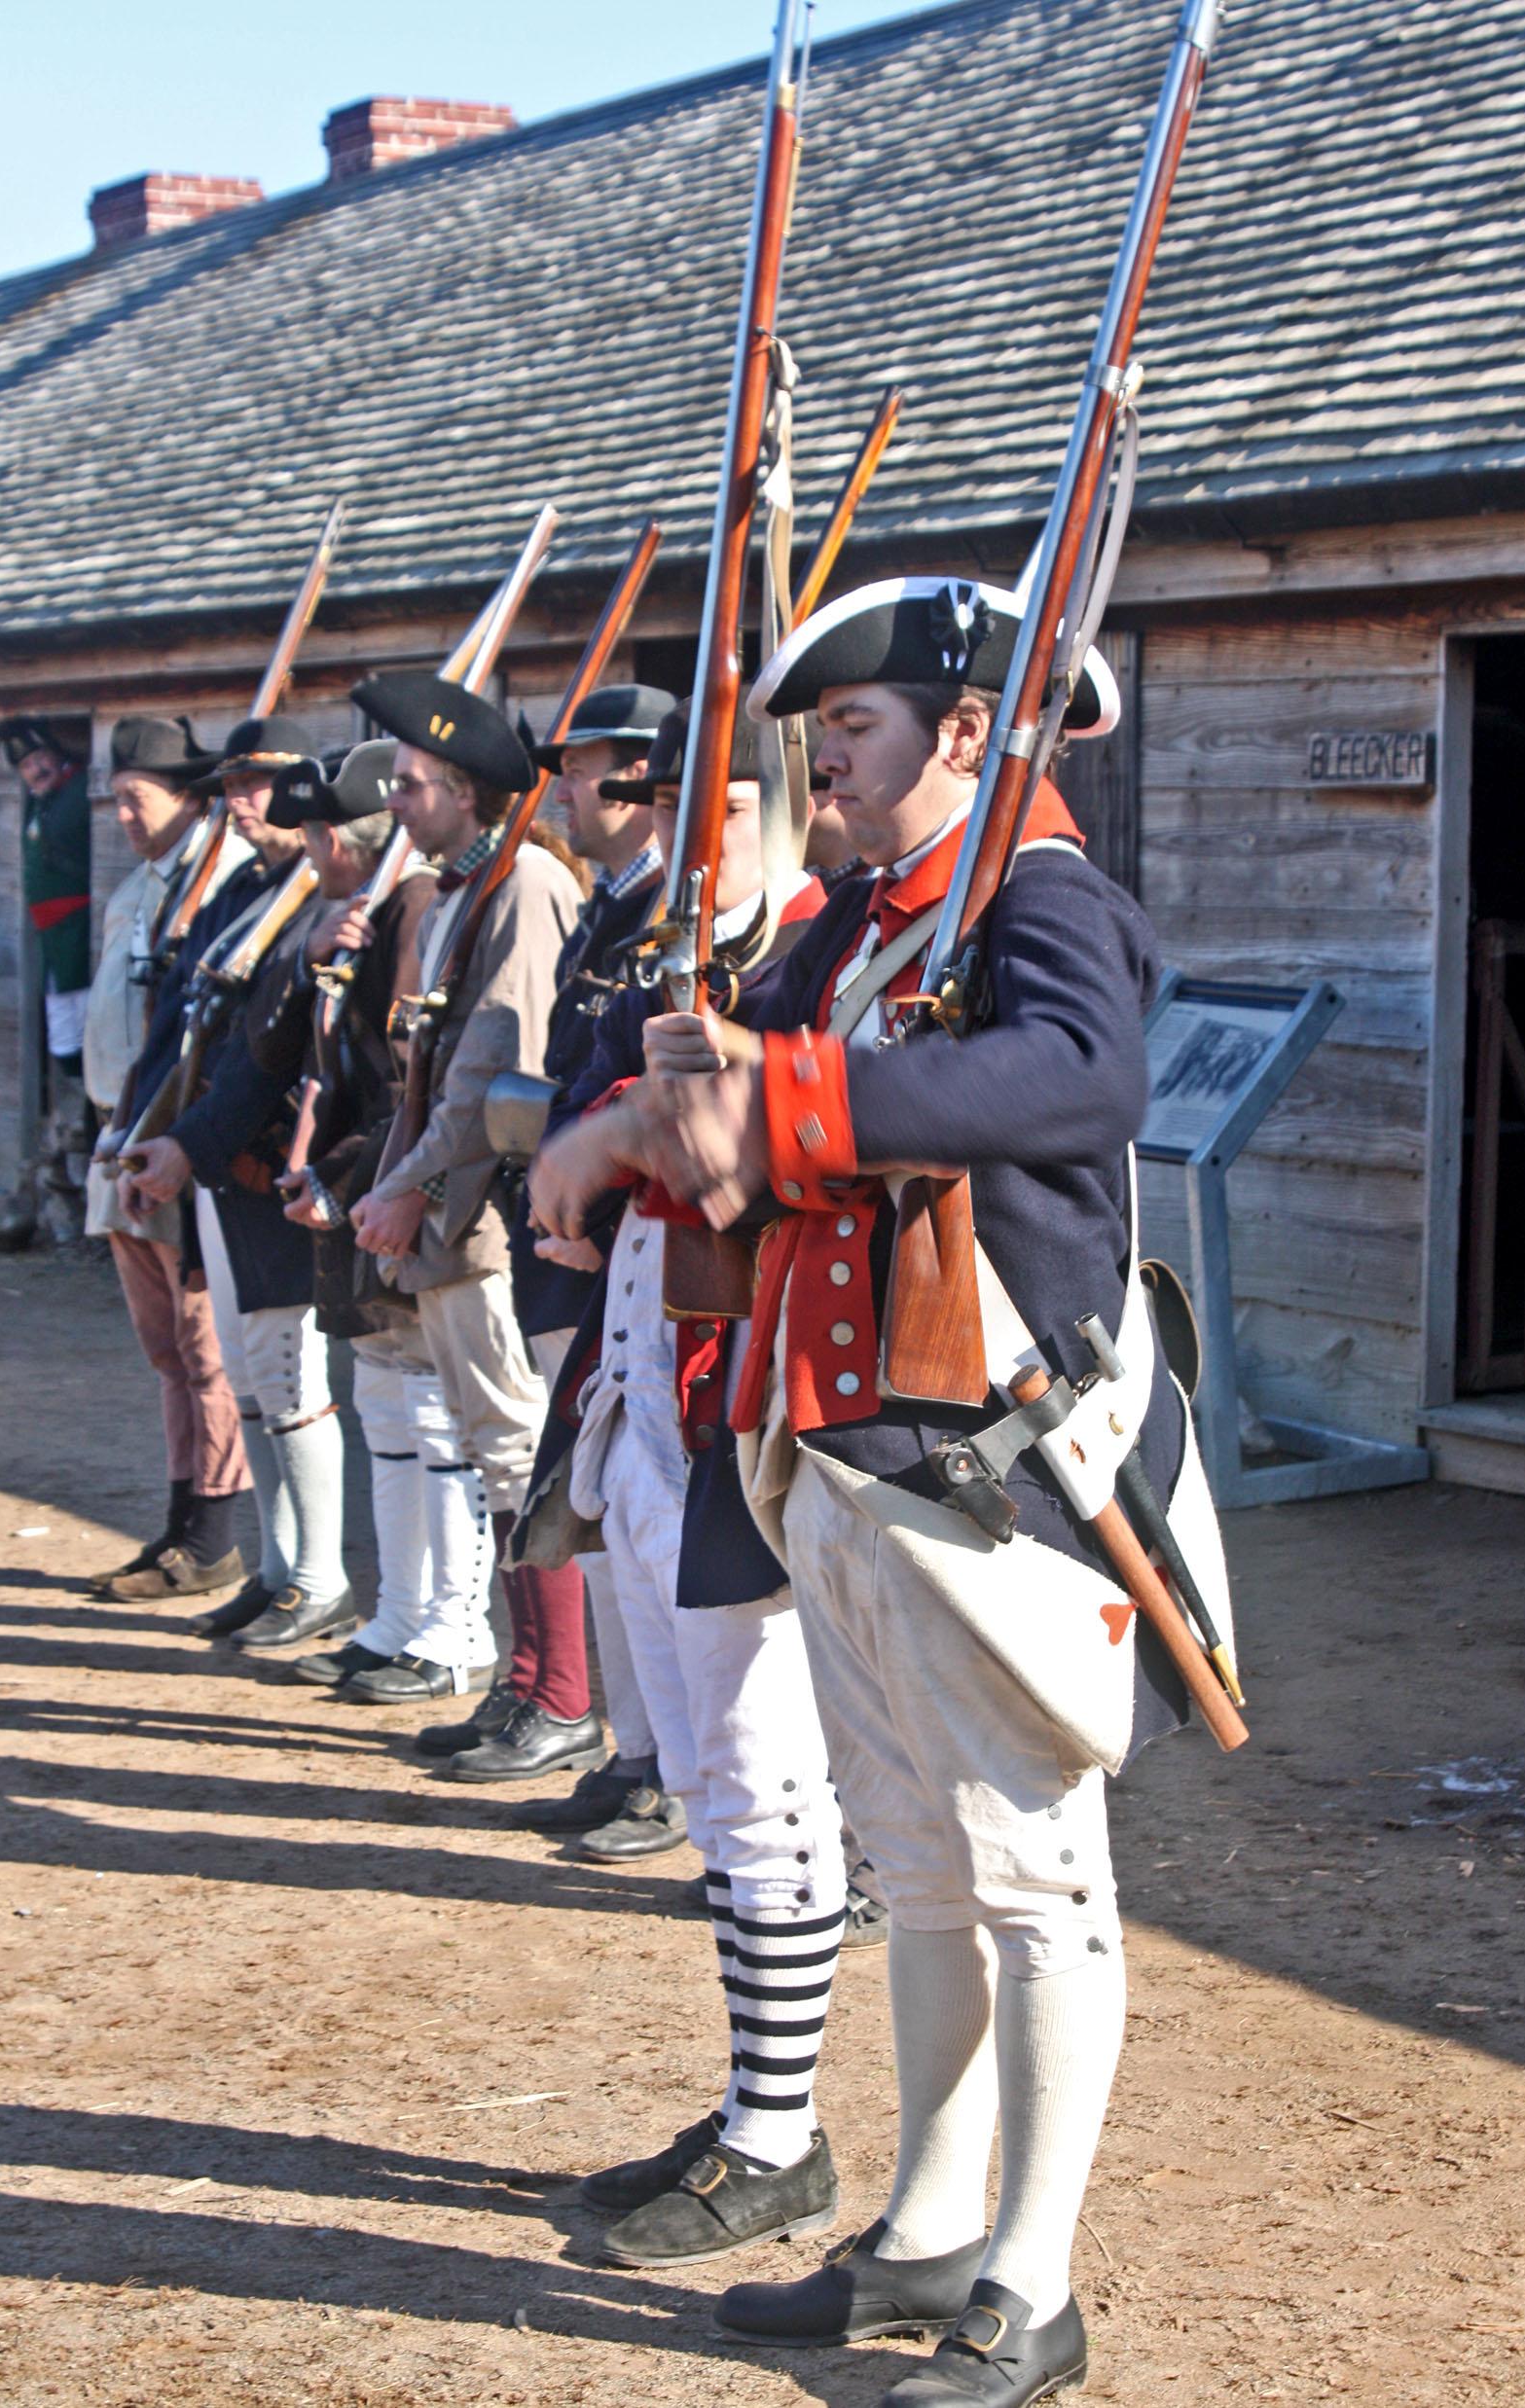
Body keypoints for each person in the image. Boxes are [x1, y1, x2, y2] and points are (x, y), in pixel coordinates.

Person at [535, 576, 1233, 2408]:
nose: (820, 769)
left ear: (971, 731)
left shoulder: (1046, 901)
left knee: (1040, 1883)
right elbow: (716, 1064)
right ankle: (927, 2230)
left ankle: (1034, 2274)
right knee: (921, 1868)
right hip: (837, 1451)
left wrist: (794, 1096)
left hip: (994, 1471)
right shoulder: (855, 925)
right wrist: (629, 1114)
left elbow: (1080, 1079)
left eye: (849, 733)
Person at [523, 700, 847, 2267]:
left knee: (765, 1781)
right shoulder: (690, 947)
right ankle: (748, 2106)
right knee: (715, 1793)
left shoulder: (808, 943)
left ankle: (779, 2134)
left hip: (744, 1418)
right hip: (648, 1393)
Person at [454, 680, 685, 1844]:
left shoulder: (665, 920)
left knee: (647, 1532)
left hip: (625, 1255)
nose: (577, 790)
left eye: (601, 769)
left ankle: (661, 1768)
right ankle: (635, 1745)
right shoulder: (609, 909)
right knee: (600, 1526)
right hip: (572, 1244)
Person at [344, 672, 589, 1730]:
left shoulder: (523, 885)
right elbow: (428, 1071)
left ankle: (562, 1695)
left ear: (465, 791)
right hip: (450, 1216)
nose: (393, 802)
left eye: (411, 783)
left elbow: (496, 1075)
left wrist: (415, 1190)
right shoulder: (456, 892)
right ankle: (520, 1682)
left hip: (487, 1222)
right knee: (496, 1458)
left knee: (517, 1452)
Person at [121, 713, 354, 1653]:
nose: (241, 801)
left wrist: (188, 1139)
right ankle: (276, 1567)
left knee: (293, 1379)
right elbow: (192, 1029)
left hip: (269, 1164)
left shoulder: (314, 902)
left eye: (260, 783)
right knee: (254, 1381)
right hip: (219, 1161)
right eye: (231, 786)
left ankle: (321, 1577)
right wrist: (150, 1132)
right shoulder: (251, 891)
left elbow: (271, 1056)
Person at [243, 741, 451, 1692]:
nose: (313, 841)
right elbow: (313, 1058)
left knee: (441, 1417)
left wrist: (341, 1175)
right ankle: (398, 1616)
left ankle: (453, 1633)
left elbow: (405, 1082)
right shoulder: (353, 918)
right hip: (357, 1182)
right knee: (386, 1403)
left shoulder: (413, 910)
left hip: (393, 1184)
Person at [82, 716, 251, 1599]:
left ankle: (214, 1533)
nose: (122, 817)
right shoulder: (141, 889)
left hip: (174, 1133)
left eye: (134, 799)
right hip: (121, 1129)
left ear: (186, 799)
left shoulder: (216, 882)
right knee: (164, 1350)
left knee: (203, 1343)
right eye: (114, 801)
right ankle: (180, 1519)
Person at [0, 713, 93, 1247]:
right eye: (27, 765)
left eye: (40, 759)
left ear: (59, 757)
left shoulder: (76, 796)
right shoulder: (42, 800)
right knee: (61, 1027)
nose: (36, 770)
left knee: (78, 1032)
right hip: (52, 935)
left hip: (78, 928)